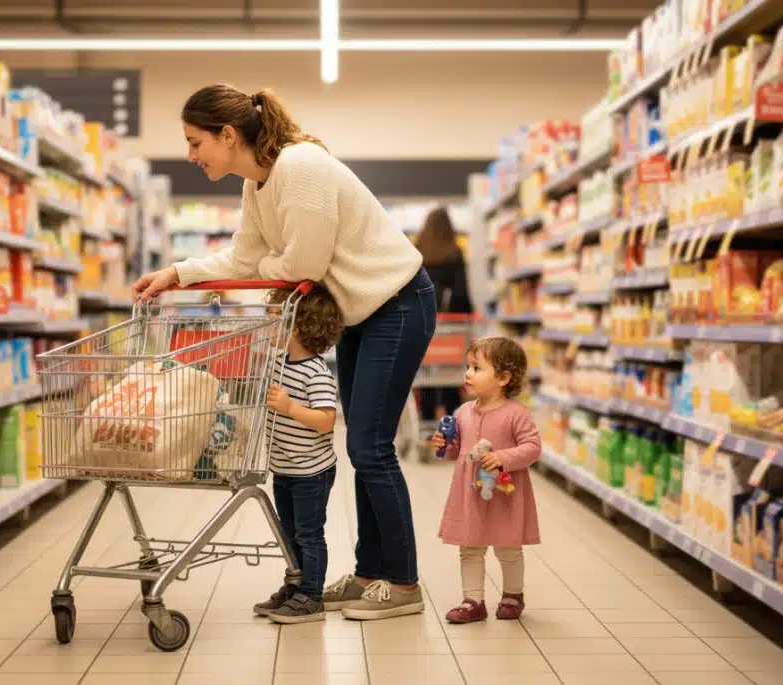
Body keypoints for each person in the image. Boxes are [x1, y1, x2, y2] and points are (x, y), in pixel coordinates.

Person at [134, 84, 435, 621]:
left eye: (195, 141)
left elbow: (305, 265)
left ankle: (405, 582)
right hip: (362, 312)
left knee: (369, 447)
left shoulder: (300, 166)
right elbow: (245, 258)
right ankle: (370, 572)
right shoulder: (258, 187)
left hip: (399, 301)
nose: (191, 155)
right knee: (366, 446)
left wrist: (270, 261)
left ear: (229, 135)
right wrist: (177, 274)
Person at [431, 337, 541, 624]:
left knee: (508, 547)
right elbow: (456, 452)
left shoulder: (516, 413)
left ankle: (512, 595)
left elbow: (533, 448)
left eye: (477, 368)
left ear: (503, 377)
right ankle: (473, 601)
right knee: (469, 547)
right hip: (470, 493)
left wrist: (504, 457)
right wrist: (445, 445)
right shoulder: (462, 412)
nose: (468, 373)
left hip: (504, 491)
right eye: (468, 366)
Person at [252, 286, 344, 624]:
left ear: (297, 324)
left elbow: (326, 420)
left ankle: (312, 595)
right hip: (285, 467)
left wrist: (290, 407)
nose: (267, 323)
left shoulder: (316, 372)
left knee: (309, 533)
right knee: (288, 533)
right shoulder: (277, 362)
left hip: (312, 472)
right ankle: (295, 586)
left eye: (273, 317)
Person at [415, 206, 473, 422]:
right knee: (450, 377)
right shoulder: (455, 255)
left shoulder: (416, 254)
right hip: (451, 331)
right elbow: (462, 296)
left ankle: (427, 425)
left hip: (421, 329)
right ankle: (453, 429)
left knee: (425, 379)